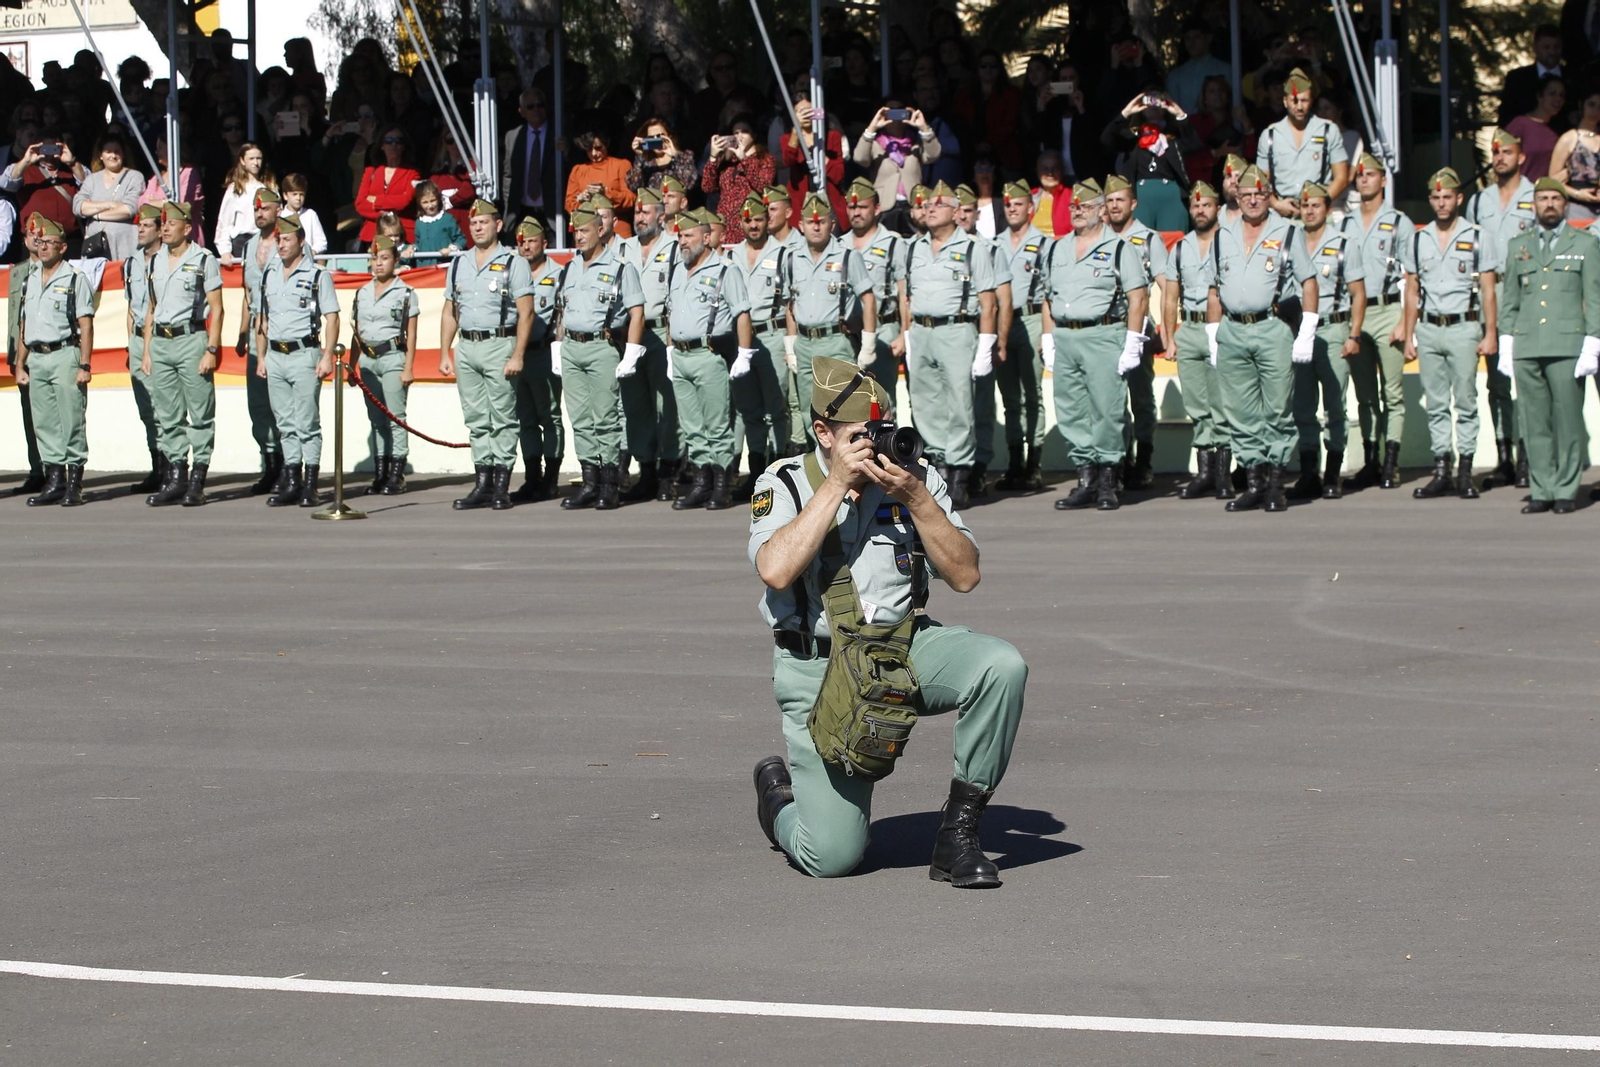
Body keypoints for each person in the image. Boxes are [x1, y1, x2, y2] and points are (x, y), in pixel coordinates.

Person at [748, 354, 1026, 885]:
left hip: (901, 648)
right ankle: (780, 803)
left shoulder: (912, 477)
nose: (875, 445)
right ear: (824, 433)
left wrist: (917, 499)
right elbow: (775, 570)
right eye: (860, 435)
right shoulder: (785, 482)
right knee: (831, 857)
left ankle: (958, 835)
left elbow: (965, 575)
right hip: (821, 667)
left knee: (1000, 666)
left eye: (882, 430)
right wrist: (835, 484)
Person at [1205, 165, 1319, 513]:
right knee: (1240, 411)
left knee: (1277, 409)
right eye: (1246, 194)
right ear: (1237, 197)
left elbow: (1309, 282)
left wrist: (1306, 333)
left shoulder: (1287, 232)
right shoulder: (1223, 235)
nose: (1253, 200)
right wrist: (1213, 335)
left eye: (1259, 194)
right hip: (1233, 329)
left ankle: (1275, 485)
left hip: (1272, 327)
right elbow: (1213, 291)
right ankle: (1254, 482)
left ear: (1269, 197)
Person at [1039, 179, 1149, 512]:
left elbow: (1138, 297)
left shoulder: (1119, 248)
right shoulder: (1057, 248)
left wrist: (1133, 341)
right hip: (1065, 335)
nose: (1078, 211)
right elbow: (1047, 298)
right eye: (1074, 206)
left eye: (1085, 206)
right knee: (1071, 408)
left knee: (1106, 409)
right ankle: (1086, 478)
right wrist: (1048, 337)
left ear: (1101, 210)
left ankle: (1108, 480)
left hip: (1103, 334)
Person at [1398, 168, 1501, 500]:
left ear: (1459, 199)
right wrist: (1409, 335)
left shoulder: (1478, 236)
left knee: (1466, 400)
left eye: (1447, 197)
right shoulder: (1419, 239)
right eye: (1436, 197)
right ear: (1430, 200)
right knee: (1436, 403)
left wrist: (1490, 332)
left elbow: (1488, 290)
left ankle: (1465, 471)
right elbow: (1412, 291)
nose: (1441, 203)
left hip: (1464, 326)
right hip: (1429, 327)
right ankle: (1442, 469)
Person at [1499, 178, 1600, 512]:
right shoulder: (1519, 246)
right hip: (1528, 344)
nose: (1550, 204)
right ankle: (1542, 489)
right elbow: (1510, 299)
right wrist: (1506, 342)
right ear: (1534, 204)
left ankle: (1565, 491)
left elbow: (1594, 299)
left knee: (1568, 421)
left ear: (1565, 204)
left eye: (1555, 198)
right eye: (1543, 198)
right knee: (1534, 422)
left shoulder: (1585, 243)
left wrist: (1592, 343)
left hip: (1567, 345)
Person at [900, 182, 997, 509]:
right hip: (922, 330)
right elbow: (906, 296)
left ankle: (959, 473)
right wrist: (908, 333)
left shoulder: (972, 248)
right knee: (925, 402)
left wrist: (986, 344)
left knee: (959, 403)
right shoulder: (913, 248)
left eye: (938, 205)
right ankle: (938, 464)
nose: (930, 209)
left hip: (957, 329)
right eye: (927, 205)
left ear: (956, 212)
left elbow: (989, 302)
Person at [438, 200, 535, 511]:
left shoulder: (513, 262)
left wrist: (518, 354)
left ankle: (502, 485)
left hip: (499, 343)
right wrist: (444, 352)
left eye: (484, 222)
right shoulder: (459, 263)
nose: (478, 228)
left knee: (503, 417)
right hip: (467, 345)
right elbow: (450, 311)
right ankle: (484, 483)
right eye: (473, 223)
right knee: (476, 418)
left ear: (498, 225)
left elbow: (526, 312)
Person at [663, 207, 755, 510]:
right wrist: (669, 349)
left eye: (689, 236)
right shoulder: (677, 269)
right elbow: (670, 312)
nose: (683, 242)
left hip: (709, 353)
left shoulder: (725, 270)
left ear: (706, 237)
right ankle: (701, 484)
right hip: (681, 354)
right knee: (691, 425)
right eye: (680, 236)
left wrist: (744, 354)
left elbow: (742, 313)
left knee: (717, 425)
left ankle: (722, 485)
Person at [558, 205, 645, 511]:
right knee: (580, 419)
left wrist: (631, 351)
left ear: (600, 230)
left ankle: (610, 484)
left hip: (601, 345)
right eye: (576, 231)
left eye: (585, 230)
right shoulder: (570, 267)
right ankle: (589, 483)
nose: (579, 237)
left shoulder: (620, 268)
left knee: (605, 418)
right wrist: (558, 345)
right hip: (572, 347)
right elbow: (562, 311)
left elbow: (637, 312)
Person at [1467, 129, 1537, 488]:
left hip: (1525, 291)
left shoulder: (1535, 195)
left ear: (1520, 157)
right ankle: (1504, 456)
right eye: (1496, 153)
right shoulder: (1479, 201)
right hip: (1489, 291)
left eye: (1507, 152)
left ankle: (1528, 456)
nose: (1500, 158)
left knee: (1525, 378)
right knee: (1496, 382)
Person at [142, 201, 224, 507]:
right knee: (168, 415)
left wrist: (211, 349)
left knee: (200, 413)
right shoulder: (155, 260)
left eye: (171, 223)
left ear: (187, 228)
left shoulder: (203, 259)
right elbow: (151, 309)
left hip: (191, 339)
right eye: (162, 223)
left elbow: (217, 309)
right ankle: (176, 477)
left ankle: (197, 481)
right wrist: (147, 349)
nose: (164, 228)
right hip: (162, 342)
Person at [1288, 182, 1366, 500]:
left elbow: (1358, 293)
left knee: (1335, 404)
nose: (1309, 211)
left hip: (1333, 329)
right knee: (1302, 405)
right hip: (1299, 332)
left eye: (1315, 205)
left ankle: (1332, 473)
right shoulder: (1290, 242)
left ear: (1327, 209)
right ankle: (1309, 473)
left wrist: (1354, 334)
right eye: (1305, 206)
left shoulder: (1343, 244)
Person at [784, 193, 877, 453]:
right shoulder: (792, 259)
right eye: (810, 222)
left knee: (843, 409)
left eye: (821, 222)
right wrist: (790, 345)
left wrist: (868, 343)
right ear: (800, 225)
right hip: (804, 344)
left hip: (836, 341)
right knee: (809, 409)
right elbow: (790, 304)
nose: (816, 227)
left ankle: (849, 461)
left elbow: (868, 299)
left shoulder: (847, 256)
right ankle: (821, 463)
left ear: (832, 224)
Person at [1343, 153, 1414, 490]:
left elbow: (1412, 277)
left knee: (1393, 393)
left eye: (1370, 175)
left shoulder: (1399, 222)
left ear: (1383, 180)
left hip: (1388, 310)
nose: (1364, 180)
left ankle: (1390, 463)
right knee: (1365, 394)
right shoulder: (1345, 224)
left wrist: (1405, 323)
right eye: (1360, 175)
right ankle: (1370, 460)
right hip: (1356, 314)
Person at [14, 216, 95, 507]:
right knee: (44, 422)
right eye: (40, 242)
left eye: (50, 242)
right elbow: (24, 325)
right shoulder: (30, 279)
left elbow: (86, 325)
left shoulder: (74, 279)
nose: (43, 246)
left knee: (71, 418)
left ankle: (74, 482)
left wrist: (85, 364)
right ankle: (55, 480)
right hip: (37, 357)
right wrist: (20, 363)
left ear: (62, 247)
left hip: (65, 354)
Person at [257, 215, 338, 508]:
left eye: (287, 239)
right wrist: (261, 356)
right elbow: (262, 317)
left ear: (301, 241)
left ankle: (311, 485)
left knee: (307, 422)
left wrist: (327, 356)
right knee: (285, 422)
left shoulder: (317, 275)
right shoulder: (270, 273)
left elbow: (332, 318)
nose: (281, 245)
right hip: (276, 355)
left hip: (304, 354)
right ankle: (292, 481)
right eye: (278, 239)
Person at [614, 186, 684, 502]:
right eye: (637, 212)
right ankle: (646, 471)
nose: (640, 217)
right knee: (636, 406)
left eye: (646, 211)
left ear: (661, 214)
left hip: (660, 333)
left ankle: (669, 471)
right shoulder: (622, 248)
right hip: (630, 335)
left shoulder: (674, 247)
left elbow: (678, 295)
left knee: (668, 407)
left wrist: (672, 343)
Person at [1164, 182, 1231, 500]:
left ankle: (1224, 473)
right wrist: (1170, 337)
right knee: (1196, 404)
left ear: (1218, 207)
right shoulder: (1180, 247)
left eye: (1206, 205)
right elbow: (1169, 296)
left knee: (1222, 403)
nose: (1200, 210)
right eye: (1195, 205)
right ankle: (1205, 472)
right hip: (1190, 329)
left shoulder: (1230, 242)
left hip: (1221, 328)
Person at [726, 192, 794, 492]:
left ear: (767, 220)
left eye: (758, 219)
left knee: (777, 407)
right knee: (749, 409)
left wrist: (791, 343)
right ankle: (756, 471)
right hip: (742, 340)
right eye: (747, 220)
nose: (753, 225)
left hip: (772, 333)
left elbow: (791, 302)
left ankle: (780, 471)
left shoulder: (783, 253)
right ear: (739, 223)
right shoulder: (731, 256)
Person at [1103, 175, 1166, 490]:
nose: (1115, 205)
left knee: (1141, 397)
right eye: (1110, 200)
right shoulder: (1098, 237)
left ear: (1134, 203)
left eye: (1120, 200)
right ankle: (1120, 459)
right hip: (1106, 328)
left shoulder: (1149, 239)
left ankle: (1144, 460)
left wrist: (1165, 327)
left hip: (1138, 327)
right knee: (1112, 399)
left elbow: (1167, 285)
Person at [348, 235, 418, 497]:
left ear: (396, 260)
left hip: (393, 357)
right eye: (375, 258)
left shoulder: (406, 293)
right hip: (367, 359)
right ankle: (380, 473)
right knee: (376, 420)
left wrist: (408, 367)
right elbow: (357, 332)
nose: (379, 264)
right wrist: (352, 365)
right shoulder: (362, 292)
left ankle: (397, 474)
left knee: (396, 418)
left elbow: (412, 333)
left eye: (385, 258)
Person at [954, 182, 1012, 498]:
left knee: (982, 404)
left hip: (981, 331)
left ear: (977, 213)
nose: (963, 216)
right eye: (958, 210)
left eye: (968, 210)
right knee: (954, 403)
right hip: (953, 333)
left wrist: (998, 342)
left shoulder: (990, 249)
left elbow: (1003, 300)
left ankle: (979, 465)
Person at [994, 180, 1051, 492]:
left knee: (1033, 395)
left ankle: (1034, 463)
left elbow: (1050, 292)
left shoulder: (1044, 243)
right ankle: (1015, 461)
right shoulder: (994, 243)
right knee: (1009, 397)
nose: (1012, 208)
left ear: (1031, 207)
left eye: (1018, 203)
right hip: (1003, 322)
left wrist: (1047, 334)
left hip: (1031, 318)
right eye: (1008, 204)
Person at [509, 216, 565, 502]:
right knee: (524, 418)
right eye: (522, 242)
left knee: (550, 416)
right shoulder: (511, 272)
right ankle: (532, 477)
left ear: (545, 243)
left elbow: (563, 314)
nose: (526, 247)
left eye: (532, 241)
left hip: (544, 352)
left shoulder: (559, 274)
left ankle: (551, 479)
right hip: (517, 352)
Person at [1256, 69, 1349, 220]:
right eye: (1294, 101)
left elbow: (1341, 177)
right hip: (1281, 214)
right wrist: (1276, 204)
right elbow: (1261, 180)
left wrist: (1319, 203)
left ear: (1311, 101)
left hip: (1319, 213)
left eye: (1304, 100)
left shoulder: (1328, 130)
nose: (1299, 107)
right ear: (1285, 101)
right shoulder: (1270, 135)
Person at [843, 177, 908, 387]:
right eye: (852, 207)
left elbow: (904, 294)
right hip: (847, 333)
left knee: (881, 400)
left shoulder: (893, 243)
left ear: (877, 208)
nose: (856, 212)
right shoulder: (838, 244)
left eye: (862, 207)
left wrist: (904, 335)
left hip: (883, 329)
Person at [241, 187, 284, 492]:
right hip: (256, 329)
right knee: (259, 403)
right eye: (256, 209)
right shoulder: (249, 246)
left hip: (282, 328)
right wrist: (241, 331)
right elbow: (247, 292)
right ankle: (270, 464)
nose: (260, 214)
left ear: (278, 211)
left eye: (265, 209)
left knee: (283, 402)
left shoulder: (290, 242)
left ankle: (290, 467)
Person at [123, 204, 164, 494]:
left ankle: (174, 467)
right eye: (139, 225)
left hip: (161, 338)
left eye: (147, 225)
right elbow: (131, 308)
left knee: (166, 408)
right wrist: (130, 345)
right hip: (138, 338)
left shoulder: (168, 260)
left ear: (160, 230)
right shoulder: (131, 262)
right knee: (147, 409)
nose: (141, 229)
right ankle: (157, 467)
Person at [1108, 92, 1192, 232]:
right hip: (1140, 199)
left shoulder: (1173, 136)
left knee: (1172, 241)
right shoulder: (1132, 137)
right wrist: (1126, 112)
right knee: (1139, 241)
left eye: (1159, 101)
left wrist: (1180, 114)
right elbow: (1107, 139)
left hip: (1171, 198)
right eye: (1148, 101)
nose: (1154, 106)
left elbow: (1195, 143)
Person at [6, 216, 45, 494]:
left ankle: (57, 471)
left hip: (46, 352)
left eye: (41, 235)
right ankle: (37, 471)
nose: (36, 239)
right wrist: (14, 356)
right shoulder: (17, 272)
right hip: (23, 356)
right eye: (31, 235)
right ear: (24, 240)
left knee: (51, 416)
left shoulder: (54, 270)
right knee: (29, 416)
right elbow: (14, 317)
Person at [852, 103, 940, 217]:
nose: (895, 117)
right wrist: (872, 128)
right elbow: (860, 158)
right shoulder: (874, 145)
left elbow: (933, 155)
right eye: (890, 112)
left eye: (900, 111)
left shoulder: (916, 144)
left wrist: (924, 128)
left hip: (914, 206)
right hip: (884, 207)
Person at [71, 133, 141, 260]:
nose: (113, 155)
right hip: (95, 249)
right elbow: (78, 206)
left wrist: (96, 215)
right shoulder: (92, 179)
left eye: (117, 151)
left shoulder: (134, 177)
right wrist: (109, 204)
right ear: (100, 155)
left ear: (123, 154)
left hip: (124, 246)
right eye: (108, 151)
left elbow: (130, 209)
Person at [701, 117, 775, 227]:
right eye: (736, 133)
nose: (740, 136)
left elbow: (762, 186)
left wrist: (745, 160)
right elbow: (707, 187)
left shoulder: (764, 159)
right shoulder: (729, 161)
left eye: (744, 132)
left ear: (754, 135)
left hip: (751, 223)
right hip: (726, 224)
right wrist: (713, 157)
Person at [355, 125, 421, 245]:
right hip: (372, 235)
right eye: (389, 141)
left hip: (402, 235)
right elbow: (360, 204)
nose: (393, 144)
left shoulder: (413, 173)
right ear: (382, 145)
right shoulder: (370, 171)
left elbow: (404, 201)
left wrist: (376, 200)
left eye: (398, 141)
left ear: (404, 146)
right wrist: (386, 214)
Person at [501, 88, 557, 226]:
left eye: (540, 104)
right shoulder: (512, 136)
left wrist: (567, 151)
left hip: (552, 213)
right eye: (530, 106)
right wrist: (509, 207)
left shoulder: (558, 133)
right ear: (521, 111)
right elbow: (508, 176)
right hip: (522, 211)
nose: (536, 109)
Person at [565, 130, 635, 237]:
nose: (594, 153)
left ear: (607, 143)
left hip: (617, 230)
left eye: (598, 148)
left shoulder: (621, 165)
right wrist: (582, 200)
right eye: (589, 149)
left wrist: (606, 193)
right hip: (587, 232)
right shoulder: (578, 170)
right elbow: (569, 204)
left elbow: (631, 199)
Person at [1498, 25, 1566, 130]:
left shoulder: (1574, 76)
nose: (1552, 52)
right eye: (1546, 47)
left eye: (1556, 47)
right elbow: (1506, 117)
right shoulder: (1517, 78)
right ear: (1535, 48)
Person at [215, 142, 274, 260]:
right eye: (251, 159)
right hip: (241, 243)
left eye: (258, 158)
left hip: (265, 239)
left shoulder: (269, 187)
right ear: (242, 161)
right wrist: (225, 250)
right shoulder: (235, 188)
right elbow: (224, 222)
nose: (256, 163)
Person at [1548, 87, 1600, 220]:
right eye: (1591, 105)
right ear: (1582, 105)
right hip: (1577, 207)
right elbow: (1553, 180)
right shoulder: (1569, 138)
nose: (1596, 111)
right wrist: (1577, 193)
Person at [1166, 19, 1233, 115]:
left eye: (1196, 37)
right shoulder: (1175, 76)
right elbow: (1173, 113)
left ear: (1209, 38)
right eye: (1187, 38)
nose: (1191, 43)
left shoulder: (1226, 70)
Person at [1507, 76, 1567, 179]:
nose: (1558, 99)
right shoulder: (1520, 124)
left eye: (1561, 95)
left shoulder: (1558, 131)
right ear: (1540, 96)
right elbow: (1504, 159)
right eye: (1552, 93)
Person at [626, 117, 697, 197]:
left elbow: (690, 183)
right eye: (651, 138)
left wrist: (676, 155)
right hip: (653, 204)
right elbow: (633, 186)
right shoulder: (645, 162)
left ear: (669, 136)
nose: (656, 140)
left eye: (660, 136)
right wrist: (639, 156)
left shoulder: (684, 157)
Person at [279, 173, 328, 255]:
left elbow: (321, 241)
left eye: (301, 194)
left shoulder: (310, 214)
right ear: (285, 195)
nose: (298, 198)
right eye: (294, 194)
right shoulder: (280, 217)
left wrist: (312, 252)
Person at [412, 180, 465, 256]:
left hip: (444, 261)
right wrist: (412, 248)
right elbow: (418, 243)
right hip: (424, 262)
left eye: (433, 200)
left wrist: (450, 249)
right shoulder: (419, 222)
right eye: (425, 202)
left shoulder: (447, 219)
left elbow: (461, 239)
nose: (430, 206)